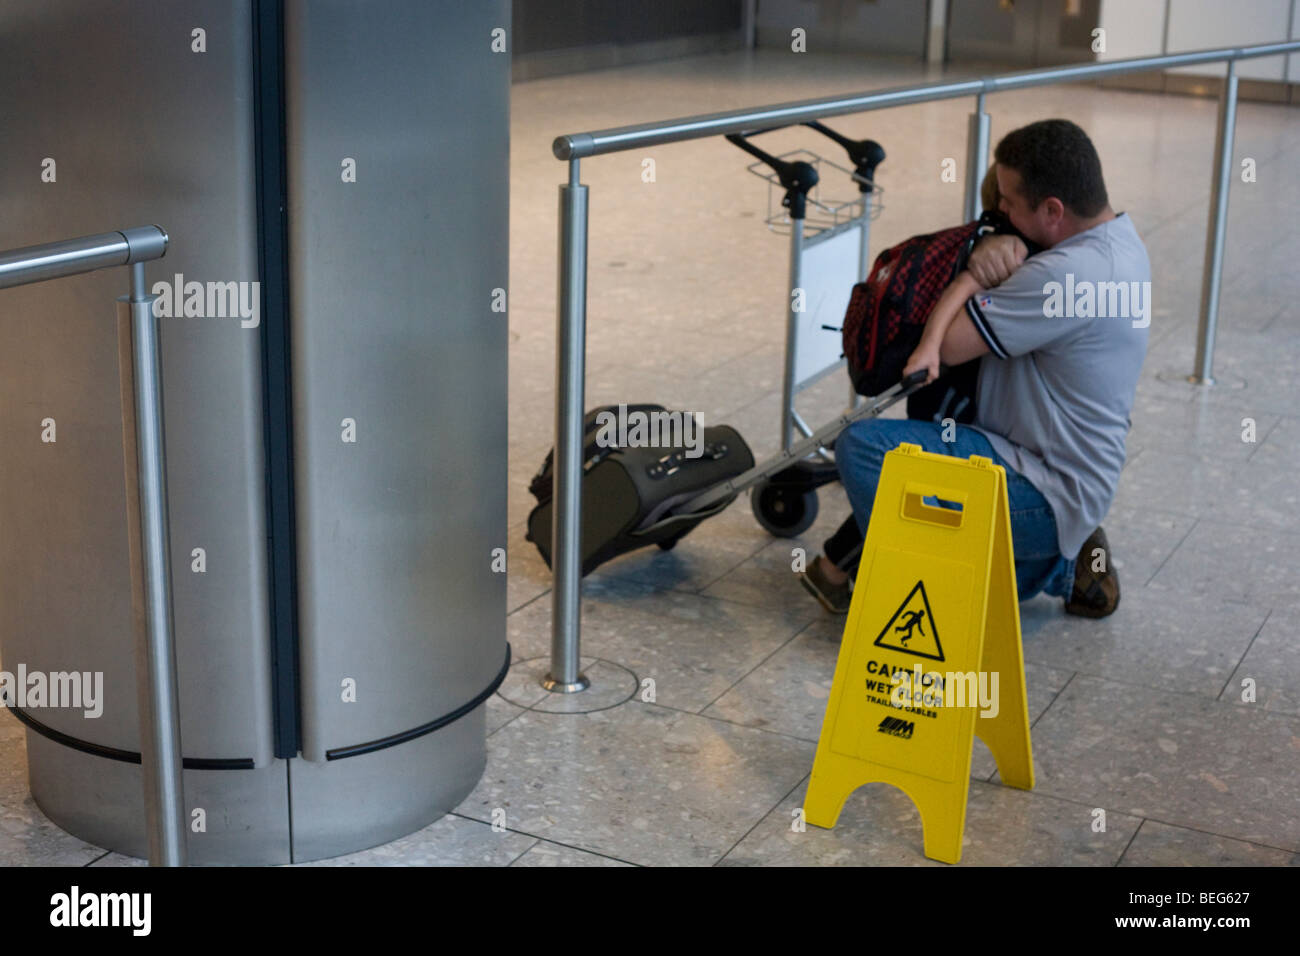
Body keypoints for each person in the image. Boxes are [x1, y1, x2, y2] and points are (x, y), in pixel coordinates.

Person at [803, 118, 1148, 619]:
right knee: (928, 444)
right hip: (1058, 466)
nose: (997, 211)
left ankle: (1025, 570)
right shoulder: (1120, 242)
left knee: (864, 449)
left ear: (1053, 210)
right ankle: (1048, 560)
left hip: (1042, 486)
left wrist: (974, 269)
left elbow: (945, 348)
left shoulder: (1063, 278)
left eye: (1007, 202)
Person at [802, 164, 1034, 612]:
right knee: (916, 482)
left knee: (914, 480)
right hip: (949, 392)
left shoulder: (983, 239)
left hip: (938, 388)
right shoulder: (1008, 254)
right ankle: (837, 567)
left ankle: (834, 566)